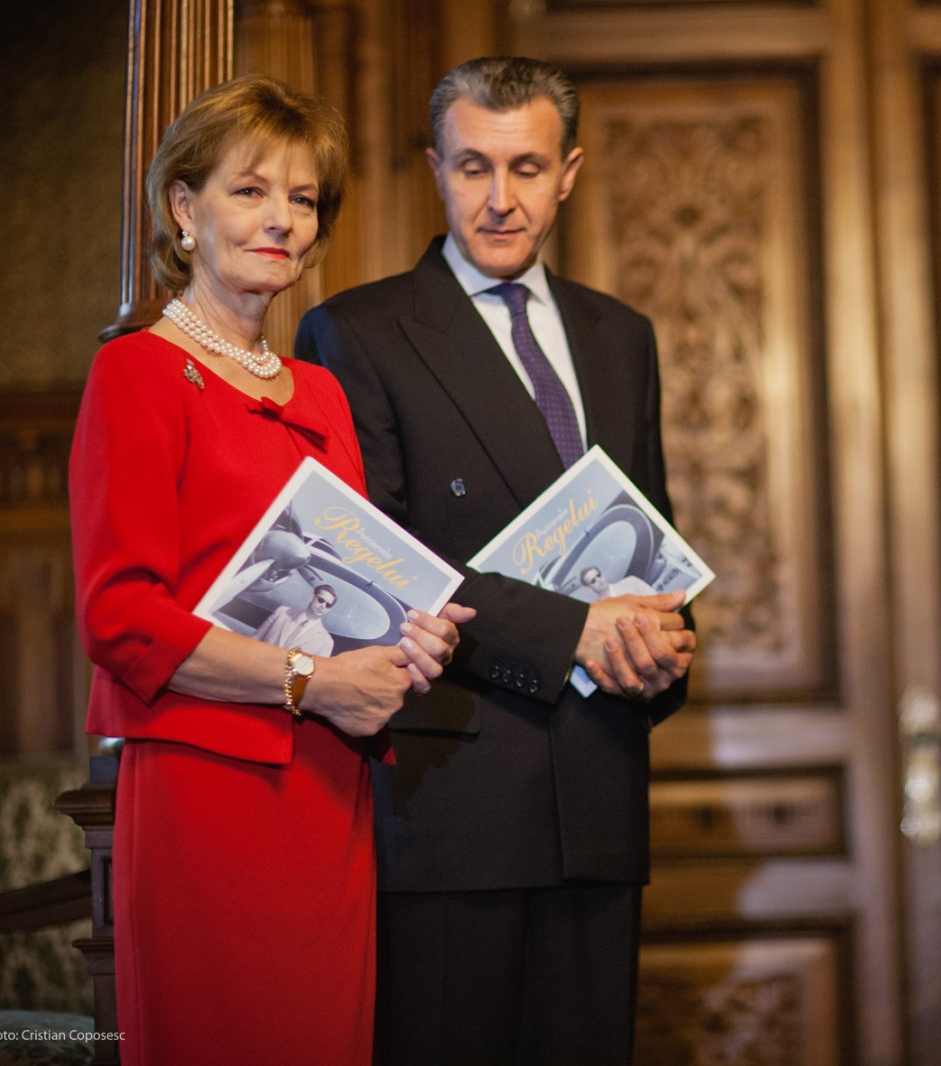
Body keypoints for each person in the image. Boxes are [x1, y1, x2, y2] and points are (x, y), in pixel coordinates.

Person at [295, 56, 696, 1066]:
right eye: (474, 167)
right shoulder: (357, 331)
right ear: (436, 169)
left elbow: (651, 542)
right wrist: (577, 633)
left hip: (599, 788)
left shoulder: (622, 337)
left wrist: (665, 644)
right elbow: (379, 562)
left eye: (526, 168)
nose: (500, 199)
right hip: (451, 803)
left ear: (569, 173)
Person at [69, 75, 472, 1066]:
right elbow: (120, 617)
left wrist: (410, 637)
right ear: (184, 206)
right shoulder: (136, 371)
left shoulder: (323, 393)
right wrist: (309, 680)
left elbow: (351, 588)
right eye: (250, 191)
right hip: (206, 788)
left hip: (330, 795)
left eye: (303, 198)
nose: (282, 219)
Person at [251, 582, 338, 655]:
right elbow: (254, 640)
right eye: (321, 600)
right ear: (312, 597)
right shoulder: (282, 613)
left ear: (329, 609)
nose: (323, 606)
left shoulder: (326, 642)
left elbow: (314, 669)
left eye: (328, 605)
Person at [580, 564, 656, 600]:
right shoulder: (599, 611)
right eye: (593, 581)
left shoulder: (631, 582)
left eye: (598, 575)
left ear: (603, 574)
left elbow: (657, 599)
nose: (598, 580)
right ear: (589, 588)